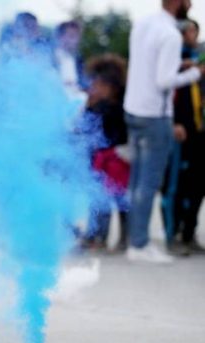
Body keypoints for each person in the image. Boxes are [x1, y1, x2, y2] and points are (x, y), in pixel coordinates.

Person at [123, 0, 204, 263]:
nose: (191, 4)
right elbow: (164, 81)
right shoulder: (170, 34)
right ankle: (139, 245)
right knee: (149, 183)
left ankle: (133, 240)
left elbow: (148, 66)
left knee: (136, 182)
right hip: (155, 115)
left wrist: (180, 65)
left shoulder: (144, 24)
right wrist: (195, 74)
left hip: (133, 109)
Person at [78, 55, 130, 253]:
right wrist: (89, 107)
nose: (95, 88)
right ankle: (96, 236)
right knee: (98, 199)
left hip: (118, 159)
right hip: (98, 160)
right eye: (94, 83)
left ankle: (124, 238)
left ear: (113, 86)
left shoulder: (122, 106)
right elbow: (84, 129)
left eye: (100, 84)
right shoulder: (94, 105)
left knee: (120, 200)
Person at [162, 19, 205, 256]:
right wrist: (174, 122)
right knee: (176, 184)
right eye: (186, 31)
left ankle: (189, 232)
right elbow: (167, 91)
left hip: (200, 132)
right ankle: (173, 233)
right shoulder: (172, 57)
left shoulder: (200, 57)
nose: (190, 34)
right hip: (180, 130)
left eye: (193, 30)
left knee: (198, 185)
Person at [55, 21, 87, 100]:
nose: (76, 40)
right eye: (71, 36)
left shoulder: (79, 61)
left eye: (77, 36)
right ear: (60, 37)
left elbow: (83, 84)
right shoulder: (50, 59)